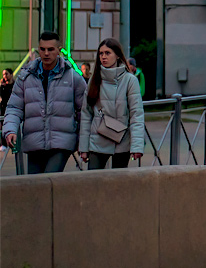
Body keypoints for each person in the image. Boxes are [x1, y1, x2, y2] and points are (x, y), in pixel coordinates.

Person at [3, 32, 86, 174]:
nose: (46, 53)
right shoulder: (26, 76)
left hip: (62, 142)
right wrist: (10, 130)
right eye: (42, 49)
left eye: (51, 49)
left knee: (49, 179)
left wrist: (82, 141)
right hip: (34, 142)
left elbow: (84, 112)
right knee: (36, 187)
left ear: (59, 51)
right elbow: (14, 107)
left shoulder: (73, 77)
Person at [80, 38, 144, 169]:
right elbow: (86, 115)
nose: (103, 57)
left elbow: (136, 114)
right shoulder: (94, 79)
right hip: (97, 140)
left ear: (117, 55)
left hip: (122, 141)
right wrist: (83, 147)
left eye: (107, 53)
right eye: (101, 53)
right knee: (93, 184)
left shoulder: (129, 80)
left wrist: (137, 146)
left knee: (118, 185)